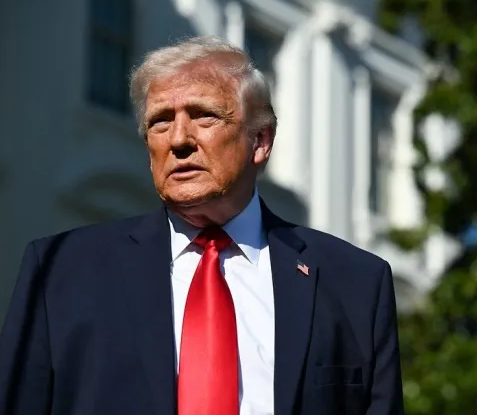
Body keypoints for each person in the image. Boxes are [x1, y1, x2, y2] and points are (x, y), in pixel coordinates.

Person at [0, 36, 405, 415]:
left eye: (203, 116)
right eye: (160, 121)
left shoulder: (354, 283)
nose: (178, 140)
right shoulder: (62, 272)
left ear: (260, 140)